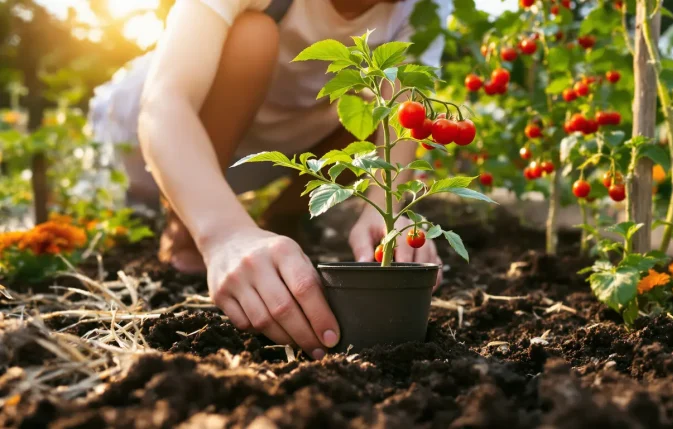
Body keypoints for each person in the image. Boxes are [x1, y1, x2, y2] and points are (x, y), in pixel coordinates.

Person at [89, 0, 451, 360]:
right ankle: (183, 222)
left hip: (267, 147)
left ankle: (282, 218)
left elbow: (404, 114)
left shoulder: (423, 7)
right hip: (154, 146)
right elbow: (164, 104)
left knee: (376, 99)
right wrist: (223, 233)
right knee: (253, 35)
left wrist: (387, 210)